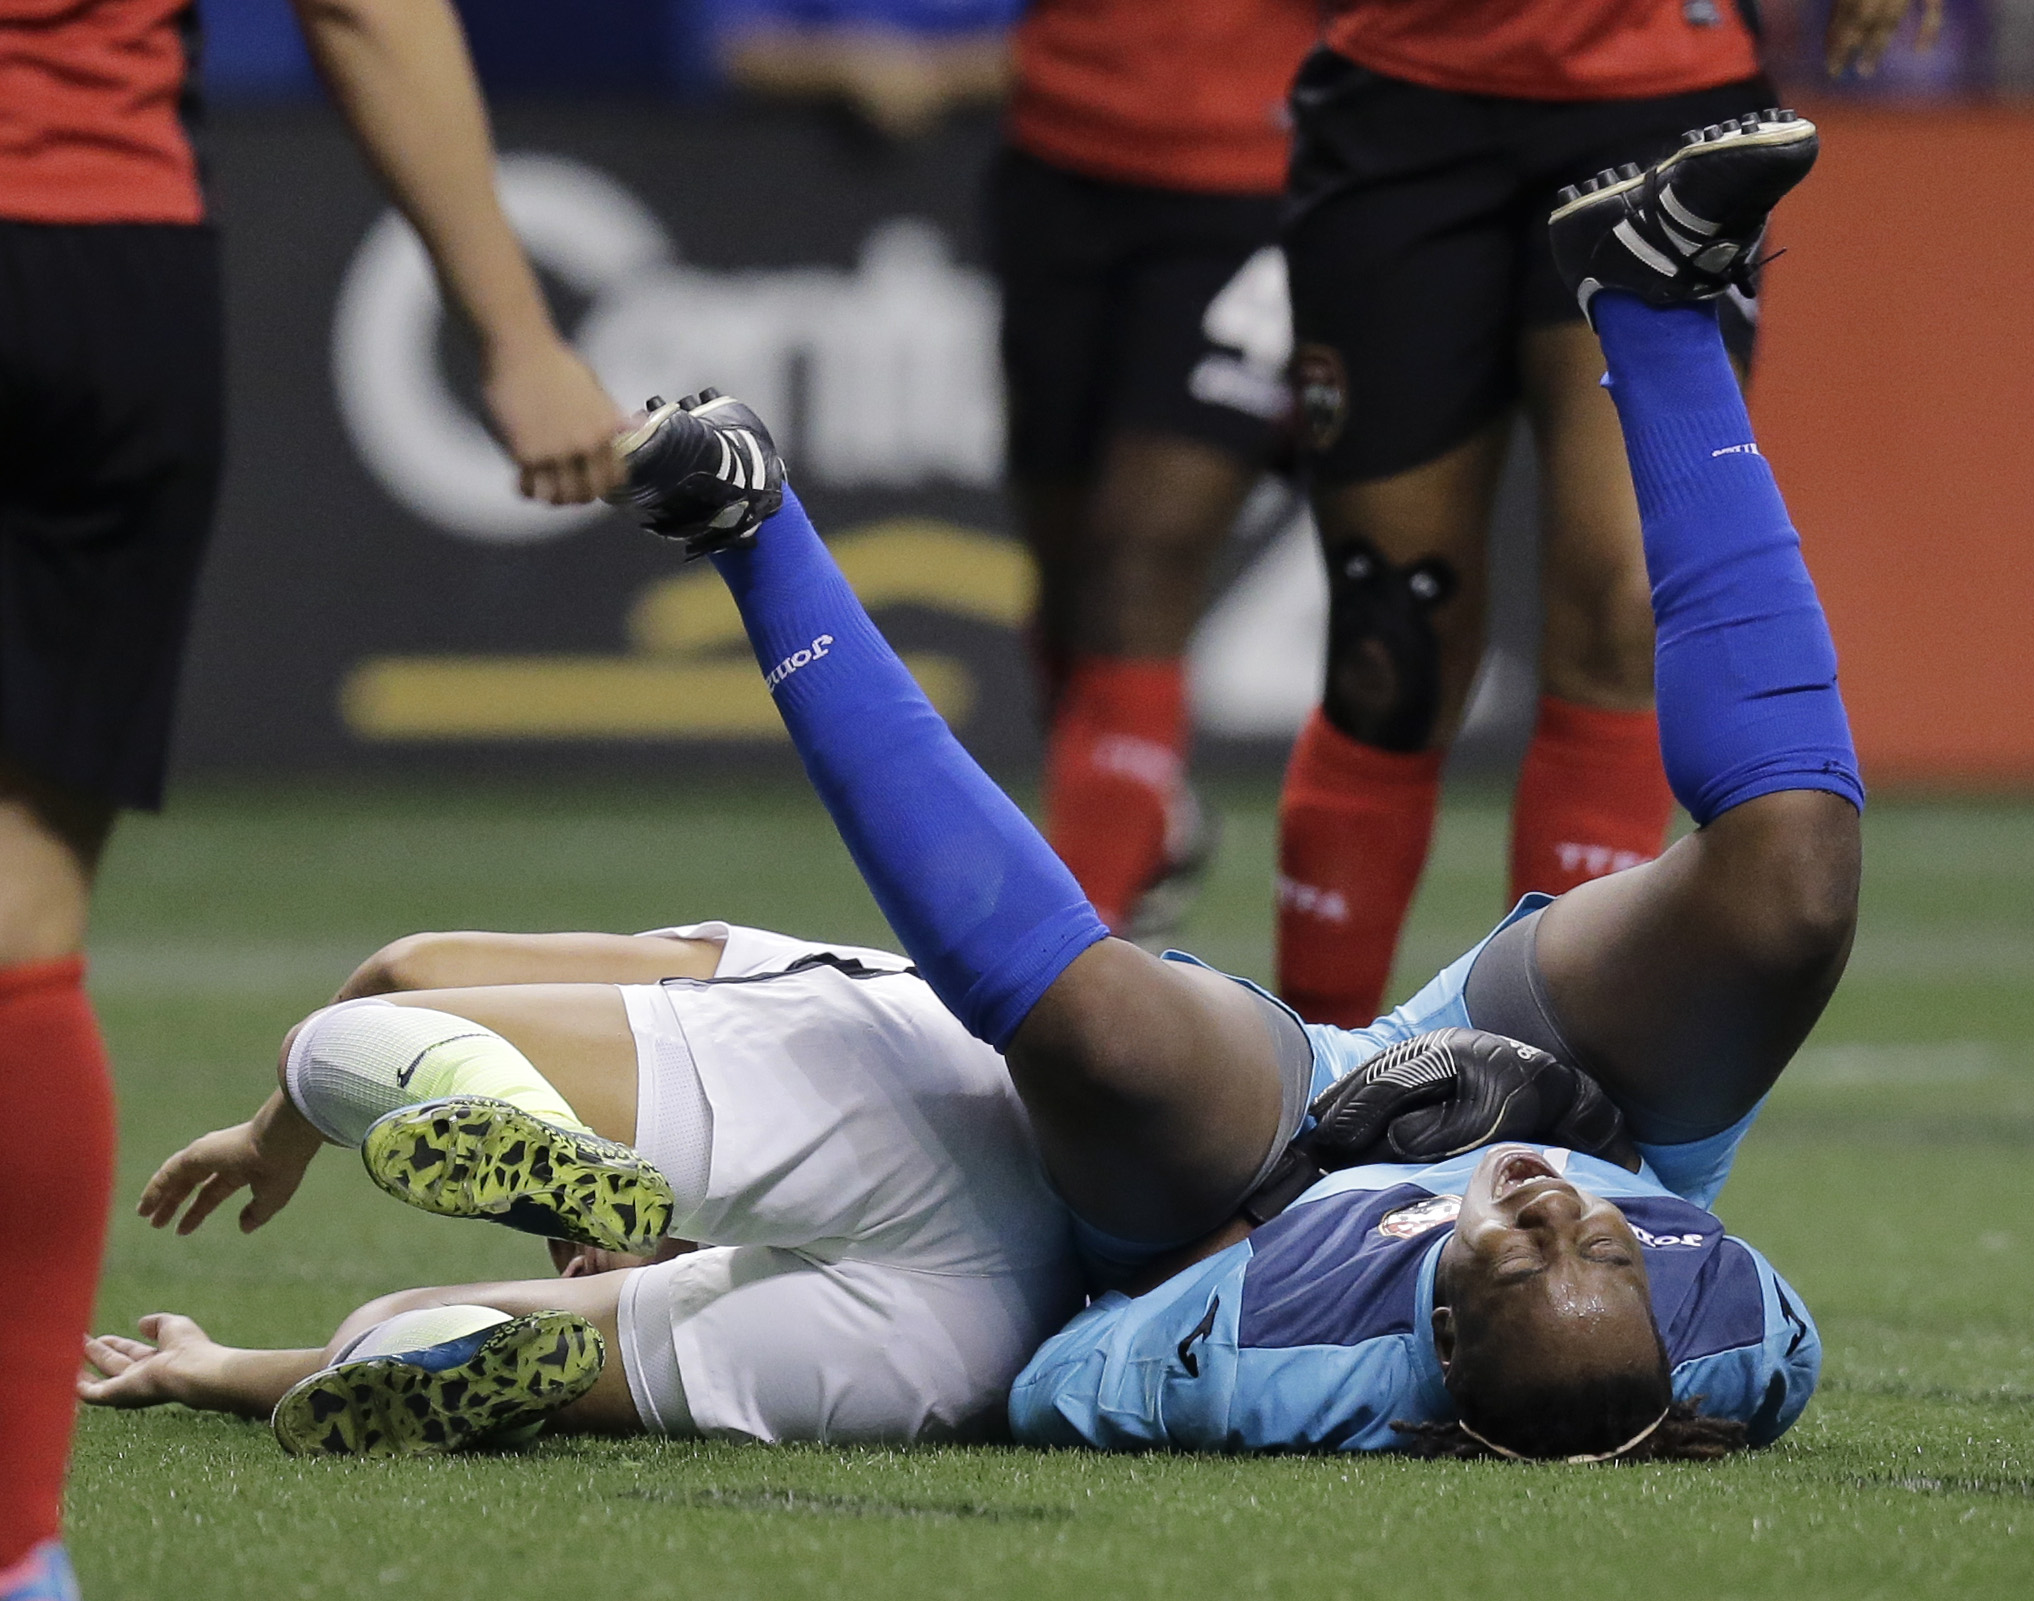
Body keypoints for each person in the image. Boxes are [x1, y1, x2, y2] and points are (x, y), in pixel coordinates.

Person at [591, 108, 1857, 1459]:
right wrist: (1594, 1214)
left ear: (1429, 1349)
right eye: (1603, 1254)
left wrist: (1235, 1234)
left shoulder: (1274, 1362)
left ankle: (750, 523)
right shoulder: (1736, 1329)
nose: (1556, 1210)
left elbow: (1045, 1377)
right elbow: (1632, 1300)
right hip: (1563, 1078)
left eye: (1519, 1257)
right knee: (1791, 894)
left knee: (1102, 1041)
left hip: (1266, 1171)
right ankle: (1656, 293)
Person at [1, 0, 624, 1588]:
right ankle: (19, 1559)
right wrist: (513, 329)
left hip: (96, 233)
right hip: (104, 261)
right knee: (23, 925)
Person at [1270, 0, 1930, 1026]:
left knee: (1623, 608)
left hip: (1660, 87)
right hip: (1399, 93)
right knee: (1388, 641)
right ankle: (1307, 1097)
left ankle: (1540, 1087)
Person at [80, 920, 1079, 1452]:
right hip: (980, 1348)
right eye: (560, 1233)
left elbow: (407, 970)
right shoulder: (800, 979)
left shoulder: (788, 973)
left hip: (937, 1106)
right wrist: (206, 1367)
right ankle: (548, 1141)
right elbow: (356, 1377)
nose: (568, 1257)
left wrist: (275, 1135)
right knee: (399, 1328)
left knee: (335, 1042)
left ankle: (550, 1136)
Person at [991, 0, 1319, 936]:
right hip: (1058, 151)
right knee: (1066, 573)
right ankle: (1136, 801)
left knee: (1141, 553)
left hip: (1255, 174)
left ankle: (1072, 949)